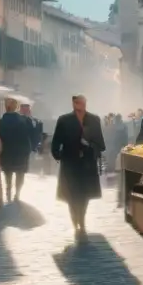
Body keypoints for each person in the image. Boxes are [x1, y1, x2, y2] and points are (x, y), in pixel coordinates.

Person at [51, 94, 105, 231]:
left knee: (85, 193)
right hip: (70, 161)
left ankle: (82, 217)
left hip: (88, 162)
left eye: (81, 102)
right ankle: (75, 219)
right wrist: (57, 155)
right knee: (72, 193)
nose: (79, 105)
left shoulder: (93, 119)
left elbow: (100, 143)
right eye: (76, 103)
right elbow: (56, 140)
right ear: (73, 104)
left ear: (85, 103)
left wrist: (91, 146)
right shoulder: (64, 120)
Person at [0, 97, 32, 202]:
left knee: (8, 172)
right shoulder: (25, 120)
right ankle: (17, 193)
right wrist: (30, 148)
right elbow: (32, 135)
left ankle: (8, 189)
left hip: (6, 151)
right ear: (16, 107)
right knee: (20, 173)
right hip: (22, 152)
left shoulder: (1, 121)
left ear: (6, 107)